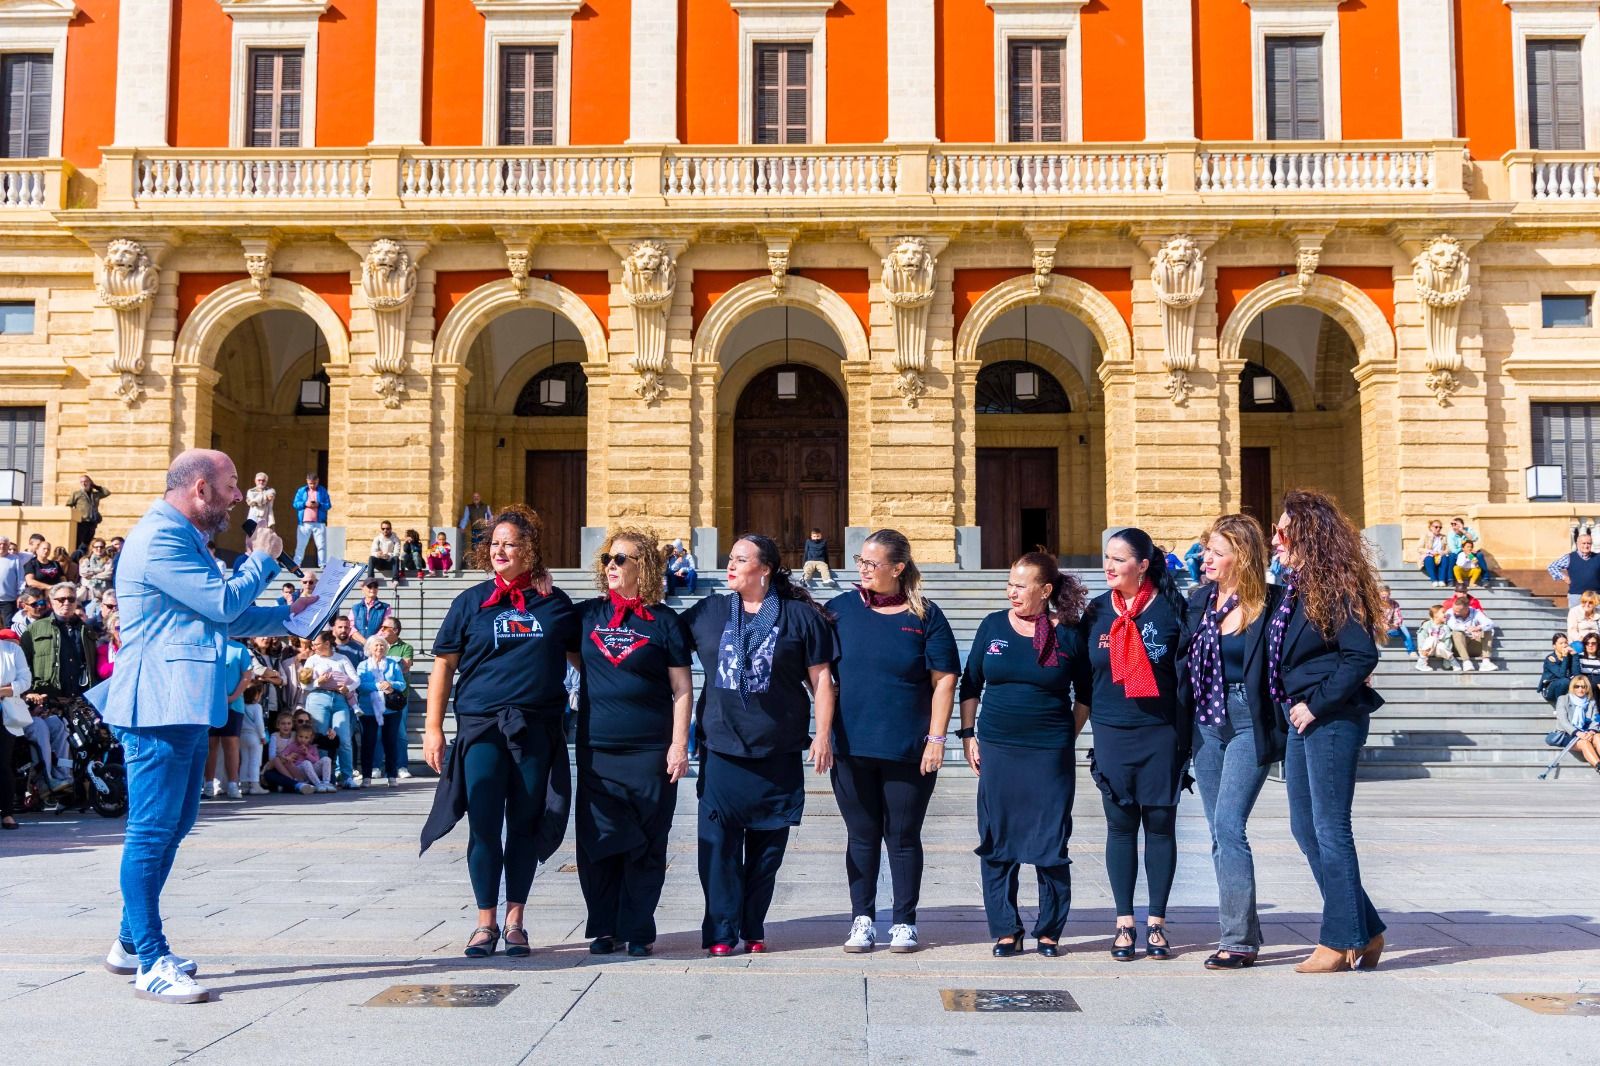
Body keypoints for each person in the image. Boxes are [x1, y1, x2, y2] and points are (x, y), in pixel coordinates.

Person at [89, 448, 308, 1004]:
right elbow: (222, 599)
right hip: (156, 703)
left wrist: (300, 612)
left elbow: (228, 616)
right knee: (152, 829)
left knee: (177, 820)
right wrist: (260, 557)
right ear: (200, 490)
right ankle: (151, 958)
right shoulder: (160, 537)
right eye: (232, 486)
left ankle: (128, 942)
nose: (241, 497)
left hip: (181, 701)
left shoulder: (185, 539)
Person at [420, 506, 581, 959]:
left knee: (525, 827)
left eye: (510, 543)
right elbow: (443, 666)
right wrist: (434, 729)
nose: (500, 551)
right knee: (484, 826)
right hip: (482, 729)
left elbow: (583, 658)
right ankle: (484, 922)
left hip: (536, 730)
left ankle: (516, 920)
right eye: (494, 544)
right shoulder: (469, 601)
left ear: (529, 550)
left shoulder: (555, 602)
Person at [681, 533, 837, 956]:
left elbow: (821, 680)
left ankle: (753, 925)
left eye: (740, 559)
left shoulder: (798, 618)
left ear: (764, 569)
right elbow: (661, 636)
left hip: (778, 755)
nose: (729, 566)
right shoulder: (709, 611)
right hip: (722, 753)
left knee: (767, 854)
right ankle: (720, 931)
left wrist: (823, 734)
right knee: (718, 852)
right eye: (729, 558)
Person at [1268, 489, 1386, 973]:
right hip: (1304, 716)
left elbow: (1362, 655)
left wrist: (1315, 706)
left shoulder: (1334, 587)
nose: (1275, 540)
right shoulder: (1299, 586)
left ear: (1308, 537)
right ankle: (1368, 929)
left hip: (1331, 719)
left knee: (1330, 828)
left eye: (1282, 532)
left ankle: (1339, 941)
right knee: (1304, 825)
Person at [831, 529, 958, 955]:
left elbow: (944, 681)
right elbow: (818, 673)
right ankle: (862, 918)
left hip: (908, 748)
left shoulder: (926, 615)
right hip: (851, 746)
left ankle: (904, 921)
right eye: (861, 560)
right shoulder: (840, 610)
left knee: (903, 837)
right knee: (861, 835)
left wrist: (936, 738)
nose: (862, 569)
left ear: (897, 568)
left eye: (871, 563)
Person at [957, 551, 1085, 959]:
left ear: (1045, 590)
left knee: (1050, 841)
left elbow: (1086, 694)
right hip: (998, 748)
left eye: (1021, 585)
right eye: (1010, 583)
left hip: (1049, 752)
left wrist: (1067, 734)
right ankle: (1005, 929)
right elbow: (971, 682)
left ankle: (1050, 930)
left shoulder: (1068, 633)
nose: (1011, 591)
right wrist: (967, 735)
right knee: (997, 840)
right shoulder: (993, 625)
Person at [574, 529, 693, 957]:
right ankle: (605, 927)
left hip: (649, 752)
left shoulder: (665, 622)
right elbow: (571, 653)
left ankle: (638, 926)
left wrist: (679, 745)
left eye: (621, 559)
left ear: (644, 567)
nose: (611, 565)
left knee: (646, 841)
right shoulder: (587, 616)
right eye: (607, 557)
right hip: (597, 750)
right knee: (599, 841)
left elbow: (682, 688)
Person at [1180, 514, 1286, 970]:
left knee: (1228, 826)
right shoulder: (1199, 600)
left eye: (1216, 552)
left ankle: (1239, 939)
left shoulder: (1273, 603)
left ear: (1240, 558)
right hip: (1205, 720)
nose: (1206, 559)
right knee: (1217, 833)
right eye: (1207, 550)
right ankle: (1246, 926)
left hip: (1247, 719)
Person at [1078, 527, 1188, 963]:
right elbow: (1084, 679)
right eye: (1106, 557)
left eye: (1119, 559)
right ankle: (1124, 922)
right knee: (1120, 827)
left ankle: (1157, 923)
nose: (1108, 566)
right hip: (1111, 731)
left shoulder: (1172, 609)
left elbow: (1187, 677)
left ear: (1143, 565)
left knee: (1160, 826)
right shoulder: (1096, 612)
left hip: (1161, 732)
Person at [303, 630, 359, 787]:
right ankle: (322, 777)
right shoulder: (312, 660)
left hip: (339, 699)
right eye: (313, 644)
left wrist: (348, 688)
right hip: (318, 698)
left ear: (327, 644)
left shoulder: (341, 658)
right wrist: (317, 682)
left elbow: (355, 679)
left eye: (316, 644)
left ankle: (347, 776)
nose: (313, 647)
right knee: (320, 737)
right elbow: (303, 684)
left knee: (345, 738)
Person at [203, 639, 254, 800]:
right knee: (210, 744)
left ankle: (233, 784)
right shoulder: (206, 644)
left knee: (231, 743)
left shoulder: (240, 649)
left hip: (233, 705)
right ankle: (208, 785)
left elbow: (247, 676)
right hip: (208, 705)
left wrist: (232, 697)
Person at [355, 636, 407, 787]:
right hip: (369, 710)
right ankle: (366, 777)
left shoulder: (393, 665)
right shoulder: (363, 665)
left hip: (390, 710)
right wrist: (378, 686)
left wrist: (390, 685)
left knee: (390, 743)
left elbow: (402, 684)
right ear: (370, 649)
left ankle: (392, 776)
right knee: (368, 743)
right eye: (376, 646)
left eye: (382, 645)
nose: (379, 648)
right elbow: (360, 685)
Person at [0, 626, 31, 830]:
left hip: (4, 712)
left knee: (2, 763)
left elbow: (25, 681)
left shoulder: (11, 650)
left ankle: (6, 812)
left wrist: (3, 690)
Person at [378, 616, 416, 778]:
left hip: (398, 698)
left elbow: (405, 667)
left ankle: (401, 766)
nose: (382, 630)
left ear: (395, 631)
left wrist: (387, 663)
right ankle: (376, 766)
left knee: (400, 734)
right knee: (379, 732)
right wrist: (395, 662)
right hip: (379, 697)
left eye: (385, 627)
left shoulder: (406, 647)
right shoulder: (378, 645)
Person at [265, 718, 333, 794]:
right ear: (296, 736)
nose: (303, 739)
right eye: (300, 736)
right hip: (299, 771)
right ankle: (318, 784)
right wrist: (288, 757)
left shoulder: (312, 747)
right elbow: (282, 755)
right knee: (306, 763)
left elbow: (316, 761)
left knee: (326, 759)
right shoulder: (293, 746)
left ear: (310, 739)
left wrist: (307, 754)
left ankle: (326, 783)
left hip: (312, 771)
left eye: (306, 738)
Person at [1556, 676, 1600, 772]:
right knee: (1585, 743)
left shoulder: (1591, 702)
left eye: (1583, 687)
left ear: (1587, 688)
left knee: (1598, 737)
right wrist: (1577, 733)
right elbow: (1563, 721)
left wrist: (1591, 731)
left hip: (1587, 732)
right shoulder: (1563, 699)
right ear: (1572, 687)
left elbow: (1596, 719)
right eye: (1577, 686)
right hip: (1568, 734)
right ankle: (1599, 766)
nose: (1580, 689)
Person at [1445, 594, 1498, 672]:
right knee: (1457, 632)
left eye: (1458, 611)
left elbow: (1490, 623)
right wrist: (1468, 629)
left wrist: (1478, 628)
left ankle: (1486, 662)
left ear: (1466, 609)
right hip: (1458, 647)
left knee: (1488, 630)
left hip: (1474, 644)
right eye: (1454, 609)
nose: (1455, 612)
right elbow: (1453, 625)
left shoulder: (1475, 612)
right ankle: (1466, 662)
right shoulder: (1450, 612)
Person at [1548, 531, 1600, 608]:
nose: (1586, 546)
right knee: (1576, 618)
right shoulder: (1570, 557)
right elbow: (1552, 567)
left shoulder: (1598, 557)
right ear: (1577, 544)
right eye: (1583, 543)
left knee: (1597, 618)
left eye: (1588, 543)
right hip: (1576, 595)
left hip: (1596, 595)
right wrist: (1564, 577)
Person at [291, 473, 332, 568]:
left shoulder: (322, 491)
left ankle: (322, 564)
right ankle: (296, 564)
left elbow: (328, 505)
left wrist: (319, 504)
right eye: (310, 483)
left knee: (321, 545)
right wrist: (305, 504)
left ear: (317, 481)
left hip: (319, 522)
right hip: (304, 523)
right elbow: (295, 504)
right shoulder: (301, 491)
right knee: (301, 545)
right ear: (307, 481)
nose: (312, 485)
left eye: (314, 483)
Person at [237, 683, 268, 796]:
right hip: (254, 736)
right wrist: (262, 736)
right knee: (255, 760)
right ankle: (255, 785)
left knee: (244, 760)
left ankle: (243, 784)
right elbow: (259, 723)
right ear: (256, 695)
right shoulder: (257, 707)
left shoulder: (241, 705)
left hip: (242, 735)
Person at [67, 475, 111, 553]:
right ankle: (78, 557)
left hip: (92, 522)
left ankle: (87, 556)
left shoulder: (95, 494)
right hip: (82, 522)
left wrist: (95, 486)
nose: (84, 484)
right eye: (81, 482)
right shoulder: (76, 494)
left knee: (89, 542)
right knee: (80, 542)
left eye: (86, 481)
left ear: (90, 482)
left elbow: (107, 492)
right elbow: (68, 506)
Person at [1416, 606, 1457, 672]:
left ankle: (1452, 661)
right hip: (1427, 651)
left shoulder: (1446, 627)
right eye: (1443, 612)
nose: (1445, 614)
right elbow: (1421, 638)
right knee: (1432, 639)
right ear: (1435, 615)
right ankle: (1421, 663)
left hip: (1439, 652)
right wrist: (1421, 650)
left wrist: (1446, 659)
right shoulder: (1427, 624)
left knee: (1441, 644)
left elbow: (1448, 643)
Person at [1378, 586, 1415, 656]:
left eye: (1387, 597)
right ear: (1379, 595)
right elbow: (1373, 619)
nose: (1385, 599)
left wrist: (1395, 625)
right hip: (1378, 630)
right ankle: (1373, 649)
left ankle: (1411, 651)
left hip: (1390, 629)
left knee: (1403, 627)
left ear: (1389, 594)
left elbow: (1398, 618)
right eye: (1383, 597)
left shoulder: (1394, 604)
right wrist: (1381, 624)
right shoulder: (1375, 604)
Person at [1540, 633, 1577, 702]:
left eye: (1566, 643)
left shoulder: (1570, 657)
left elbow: (1577, 674)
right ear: (1554, 646)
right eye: (1561, 643)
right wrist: (1565, 657)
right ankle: (1560, 706)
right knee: (1564, 681)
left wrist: (1575, 656)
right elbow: (1561, 675)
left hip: (1566, 686)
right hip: (1549, 689)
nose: (1564, 645)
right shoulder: (1550, 659)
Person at [1416, 520, 1451, 587]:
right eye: (1436, 527)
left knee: (1445, 558)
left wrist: (1443, 552)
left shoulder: (1444, 537)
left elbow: (1448, 549)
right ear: (1431, 527)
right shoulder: (1425, 536)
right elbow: (1419, 548)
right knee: (1429, 558)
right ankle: (1434, 580)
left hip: (1440, 556)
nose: (1438, 529)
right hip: (1429, 555)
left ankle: (1442, 580)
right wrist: (1430, 551)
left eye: (1440, 527)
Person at [0, 537, 26, 621]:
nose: (2, 546)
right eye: (0, 544)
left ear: (8, 546)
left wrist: (20, 594)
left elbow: (21, 578)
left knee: (8, 626)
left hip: (8, 600)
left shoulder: (15, 559)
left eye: (5, 544)